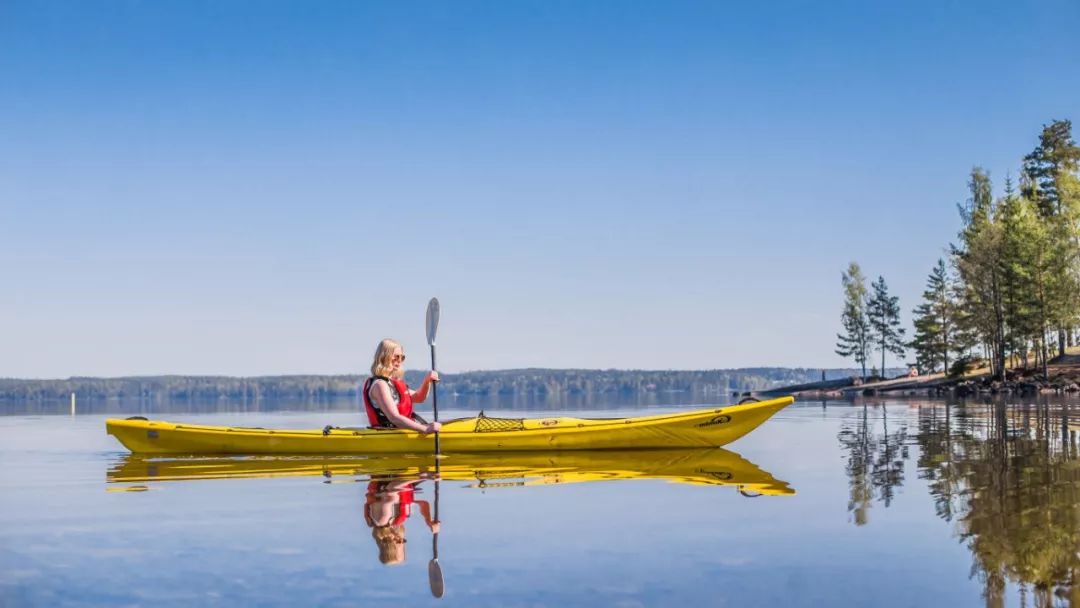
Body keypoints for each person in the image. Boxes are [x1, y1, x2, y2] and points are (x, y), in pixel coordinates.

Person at [363, 338, 442, 433]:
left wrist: (427, 381)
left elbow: (419, 397)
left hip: (399, 431)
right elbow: (394, 418)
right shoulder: (380, 385)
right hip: (387, 435)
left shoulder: (392, 383)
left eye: (402, 357)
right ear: (384, 356)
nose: (399, 360)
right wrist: (425, 429)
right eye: (396, 357)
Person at [364, 473, 440, 565]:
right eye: (403, 541)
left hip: (390, 474)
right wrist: (428, 520)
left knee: (434, 476)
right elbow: (423, 503)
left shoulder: (381, 520)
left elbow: (391, 488)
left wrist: (421, 477)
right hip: (402, 480)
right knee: (437, 476)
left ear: (391, 544)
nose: (401, 538)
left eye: (400, 542)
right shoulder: (394, 522)